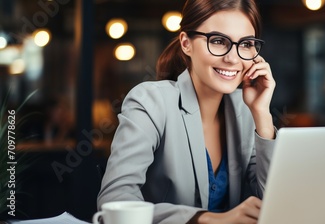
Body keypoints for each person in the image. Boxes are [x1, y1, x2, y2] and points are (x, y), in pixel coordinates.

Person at [97, 0, 277, 223]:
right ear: (186, 43)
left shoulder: (247, 110)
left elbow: (274, 204)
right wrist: (206, 219)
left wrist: (262, 116)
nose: (233, 58)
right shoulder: (150, 101)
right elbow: (114, 200)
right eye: (219, 41)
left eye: (246, 44)